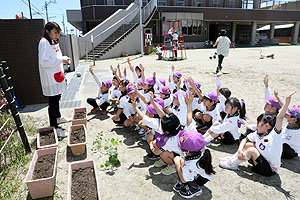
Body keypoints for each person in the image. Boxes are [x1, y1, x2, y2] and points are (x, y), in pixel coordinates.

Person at [219, 92, 295, 177]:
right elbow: (245, 140)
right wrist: (240, 150)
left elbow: (280, 117)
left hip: (269, 169)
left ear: (266, 126)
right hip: (261, 162)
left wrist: (287, 102)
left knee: (252, 150)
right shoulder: (258, 133)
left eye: (258, 123)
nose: (256, 125)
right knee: (249, 144)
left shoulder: (275, 136)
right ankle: (232, 159)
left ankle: (233, 164)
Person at [38, 22, 70, 137]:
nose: (57, 35)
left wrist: (63, 60)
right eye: (55, 32)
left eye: (58, 33)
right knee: (53, 101)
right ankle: (54, 127)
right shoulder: (44, 42)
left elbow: (56, 57)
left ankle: (58, 118)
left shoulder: (52, 42)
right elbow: (44, 61)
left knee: (57, 97)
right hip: (50, 77)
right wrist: (62, 60)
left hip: (56, 75)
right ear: (47, 31)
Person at [173, 130, 215, 198]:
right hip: (200, 171)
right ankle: (190, 183)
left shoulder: (190, 165)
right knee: (184, 169)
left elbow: (184, 180)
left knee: (184, 174)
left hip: (201, 177)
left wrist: (177, 163)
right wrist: (183, 159)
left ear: (187, 151)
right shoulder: (200, 147)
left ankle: (195, 188)